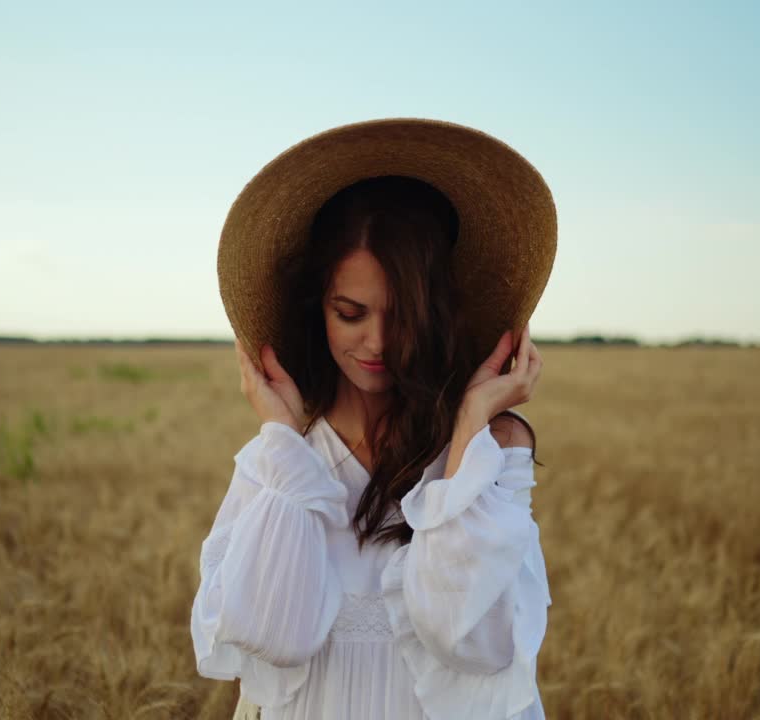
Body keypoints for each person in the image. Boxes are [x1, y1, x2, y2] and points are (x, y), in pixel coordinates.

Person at [193, 118, 556, 719]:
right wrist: (284, 440)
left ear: (435, 313)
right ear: (319, 311)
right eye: (351, 312)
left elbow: (471, 642)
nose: (378, 342)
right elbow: (273, 639)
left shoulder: (488, 454)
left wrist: (468, 428)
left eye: (403, 314)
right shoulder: (282, 464)